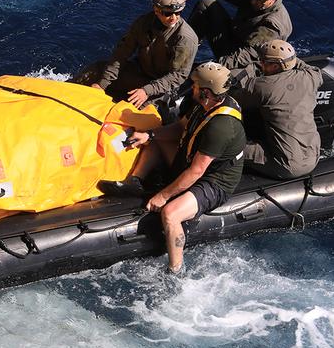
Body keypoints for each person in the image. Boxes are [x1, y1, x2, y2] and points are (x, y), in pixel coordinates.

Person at [99, 62, 246, 273]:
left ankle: (175, 269)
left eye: (195, 86)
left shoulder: (221, 127)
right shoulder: (205, 105)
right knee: (154, 139)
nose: (191, 88)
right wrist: (149, 135)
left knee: (170, 214)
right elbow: (180, 127)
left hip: (214, 182)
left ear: (205, 92)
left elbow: (197, 171)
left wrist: (163, 196)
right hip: (193, 160)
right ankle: (135, 181)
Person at [73, 0, 198, 109]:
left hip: (161, 89)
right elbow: (122, 53)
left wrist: (147, 91)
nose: (174, 18)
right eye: (168, 13)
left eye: (178, 13)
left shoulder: (185, 38)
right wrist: (102, 84)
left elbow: (177, 76)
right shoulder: (143, 23)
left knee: (137, 113)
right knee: (95, 71)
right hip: (139, 73)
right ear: (156, 10)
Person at [229, 40, 323, 179]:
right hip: (313, 155)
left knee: (224, 147)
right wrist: (288, 59)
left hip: (285, 165)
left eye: (263, 61)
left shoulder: (261, 86)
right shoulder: (311, 77)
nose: (260, 64)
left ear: (274, 66)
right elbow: (311, 69)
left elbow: (232, 100)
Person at [177, 0, 292, 70]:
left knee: (220, 78)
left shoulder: (273, 25)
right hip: (234, 40)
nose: (252, 1)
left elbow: (248, 55)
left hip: (249, 62)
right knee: (206, 6)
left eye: (258, 0)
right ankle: (183, 53)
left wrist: (212, 68)